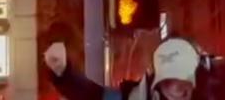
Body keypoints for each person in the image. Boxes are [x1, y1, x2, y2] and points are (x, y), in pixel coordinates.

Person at [45, 37, 204, 100]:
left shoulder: (218, 91)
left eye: (183, 81)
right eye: (168, 82)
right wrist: (63, 73)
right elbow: (94, 96)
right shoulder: (137, 97)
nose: (177, 90)